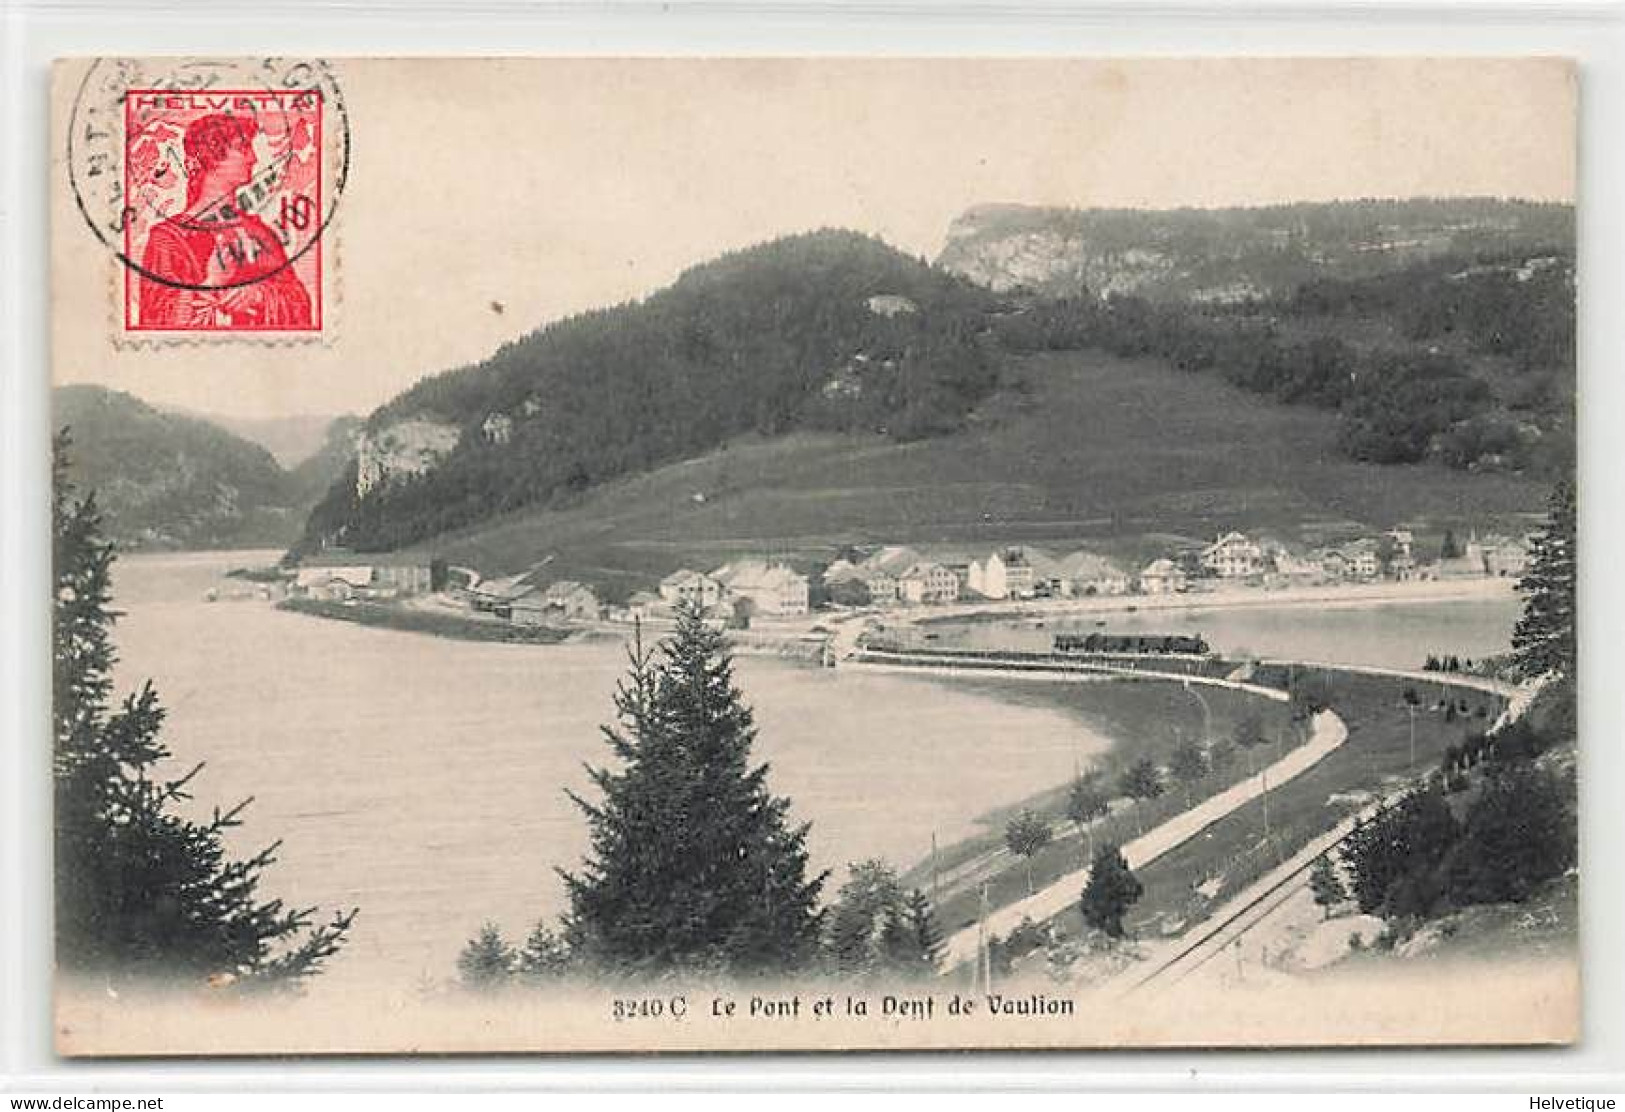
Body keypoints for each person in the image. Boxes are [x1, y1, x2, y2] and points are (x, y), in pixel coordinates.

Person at [136, 113, 313, 329]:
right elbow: (154, 323)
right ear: (213, 157)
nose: (254, 159)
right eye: (244, 149)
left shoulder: (258, 233)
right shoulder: (167, 239)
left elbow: (300, 305)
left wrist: (258, 296)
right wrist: (212, 283)